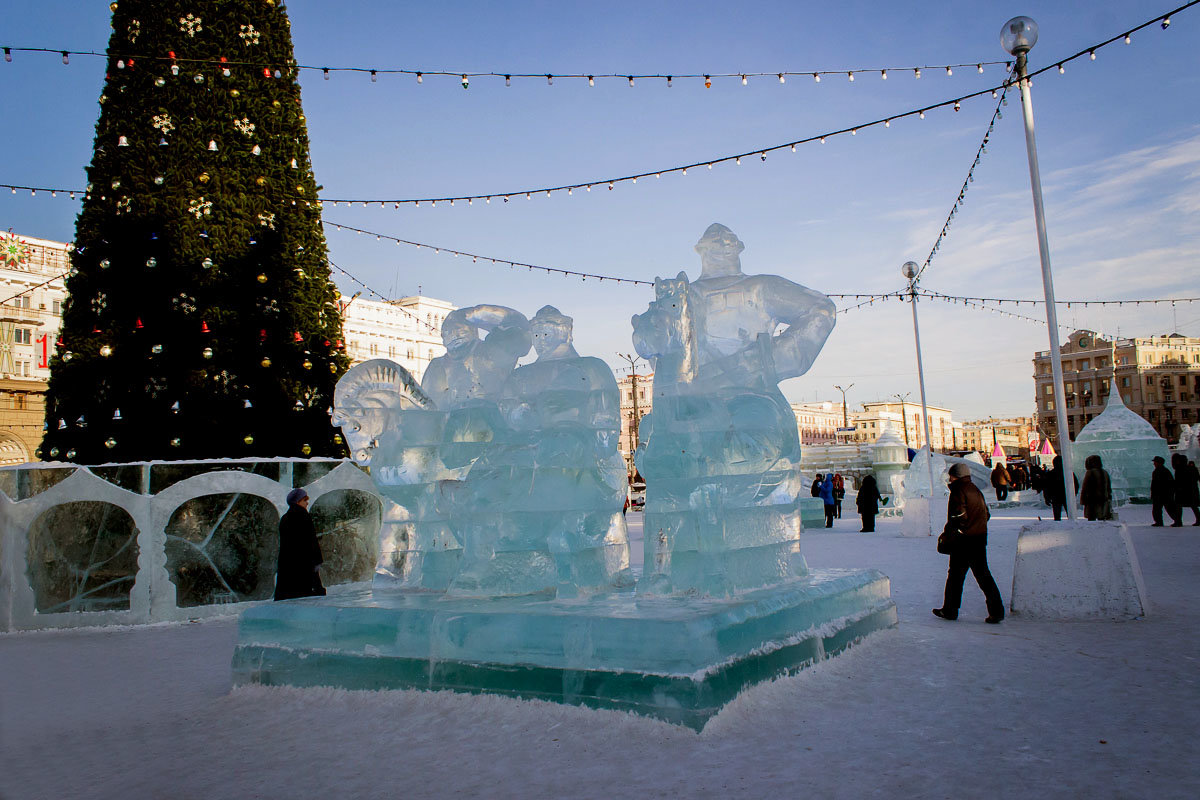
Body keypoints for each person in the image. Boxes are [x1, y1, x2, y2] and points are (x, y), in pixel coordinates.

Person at [934, 463, 1005, 624]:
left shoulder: (959, 490)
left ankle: (950, 610)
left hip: (963, 542)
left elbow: (958, 516)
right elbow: (986, 514)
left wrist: (957, 530)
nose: (949, 479)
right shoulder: (974, 489)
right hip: (978, 539)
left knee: (955, 577)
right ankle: (996, 610)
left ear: (955, 476)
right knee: (983, 576)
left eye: (951, 476)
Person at [274, 488, 325, 601]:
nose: (307, 502)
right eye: (304, 499)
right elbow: (311, 541)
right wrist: (317, 560)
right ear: (297, 502)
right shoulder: (303, 516)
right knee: (308, 599)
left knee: (288, 598)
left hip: (287, 567)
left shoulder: (285, 518)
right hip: (304, 565)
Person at [1079, 454, 1114, 521]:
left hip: (1092, 500)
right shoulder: (1104, 472)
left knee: (1092, 518)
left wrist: (1083, 499)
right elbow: (1108, 487)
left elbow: (1085, 487)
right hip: (1103, 499)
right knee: (1102, 517)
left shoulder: (1090, 473)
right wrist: (1109, 497)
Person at [1150, 455, 1181, 527]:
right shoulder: (1162, 471)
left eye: (1155, 462)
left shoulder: (1162, 471)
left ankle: (1176, 521)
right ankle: (1159, 521)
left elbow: (1167, 484)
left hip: (1163, 494)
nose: (1154, 463)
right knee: (1158, 509)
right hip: (1161, 494)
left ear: (1159, 463)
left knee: (1168, 509)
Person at [1175, 455, 1200, 526]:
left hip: (1182, 491)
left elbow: (1178, 481)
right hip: (1193, 490)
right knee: (1194, 506)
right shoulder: (1193, 468)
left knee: (1178, 506)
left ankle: (1178, 521)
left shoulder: (1179, 469)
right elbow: (1197, 478)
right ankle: (1199, 519)